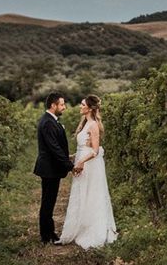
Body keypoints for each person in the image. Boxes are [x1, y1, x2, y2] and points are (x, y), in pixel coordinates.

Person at [57, 94, 118, 248]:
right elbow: (84, 147)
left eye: (83, 104)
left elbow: (95, 151)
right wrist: (73, 157)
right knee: (81, 195)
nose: (80, 106)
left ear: (90, 108)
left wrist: (82, 162)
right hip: (82, 162)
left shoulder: (93, 126)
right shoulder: (85, 123)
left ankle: (92, 229)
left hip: (90, 166)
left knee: (91, 195)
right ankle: (81, 226)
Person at [33, 92, 76, 244]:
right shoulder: (48, 122)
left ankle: (50, 233)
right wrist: (69, 166)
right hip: (49, 169)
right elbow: (54, 148)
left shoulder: (51, 121)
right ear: (53, 105)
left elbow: (57, 147)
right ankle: (46, 236)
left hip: (52, 168)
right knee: (47, 202)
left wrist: (68, 157)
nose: (64, 107)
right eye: (62, 104)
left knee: (49, 202)